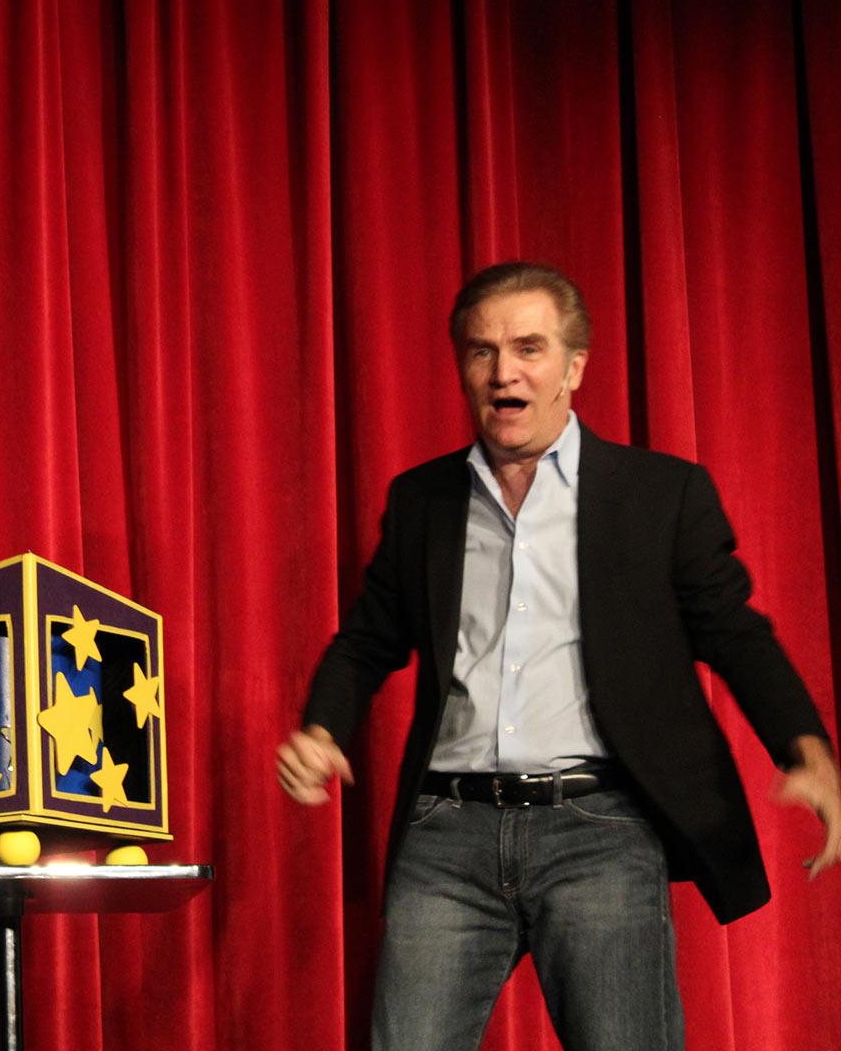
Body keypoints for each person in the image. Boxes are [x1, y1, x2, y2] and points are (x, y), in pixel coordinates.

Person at [275, 261, 841, 1050]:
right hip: (447, 833)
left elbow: (733, 630)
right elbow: (368, 637)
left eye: (529, 348)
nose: (503, 371)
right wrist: (323, 727)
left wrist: (805, 748)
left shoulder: (659, 493)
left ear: (574, 367)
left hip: (598, 830)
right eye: (481, 352)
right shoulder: (423, 500)